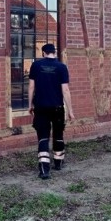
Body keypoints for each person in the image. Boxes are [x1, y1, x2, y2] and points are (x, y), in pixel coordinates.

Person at [28, 43, 75, 179]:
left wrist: (30, 104)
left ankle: (44, 170)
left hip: (41, 107)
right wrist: (70, 111)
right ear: (54, 52)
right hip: (57, 107)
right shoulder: (62, 67)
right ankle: (58, 163)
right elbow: (65, 90)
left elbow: (31, 87)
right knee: (58, 134)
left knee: (43, 136)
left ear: (43, 53)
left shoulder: (36, 66)